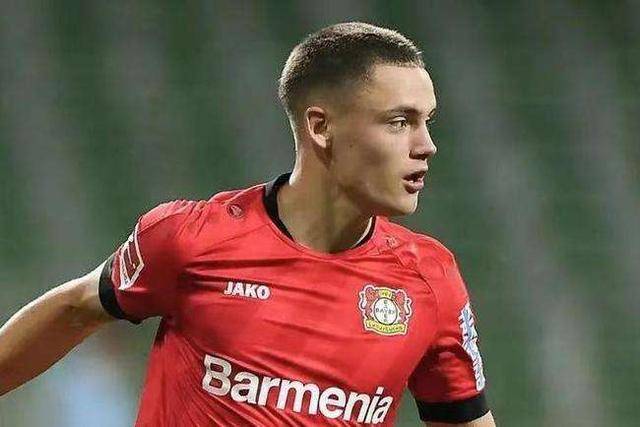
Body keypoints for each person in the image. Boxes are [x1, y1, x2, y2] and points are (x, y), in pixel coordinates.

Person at [0, 22, 495, 426]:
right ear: (320, 127)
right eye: (399, 122)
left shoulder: (430, 280)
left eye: (427, 121)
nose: (427, 145)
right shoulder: (190, 239)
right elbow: (76, 308)